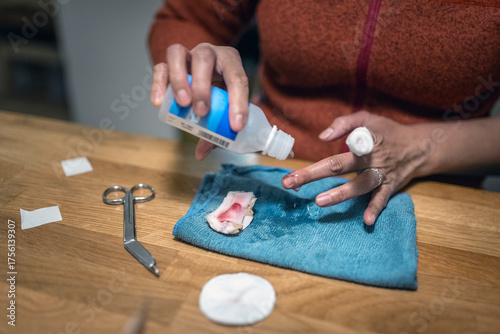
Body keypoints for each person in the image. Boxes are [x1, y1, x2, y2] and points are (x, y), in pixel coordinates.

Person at [148, 1, 500, 225]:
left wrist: (425, 146)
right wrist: (197, 67)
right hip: (268, 174)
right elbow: (185, 17)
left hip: (438, 194)